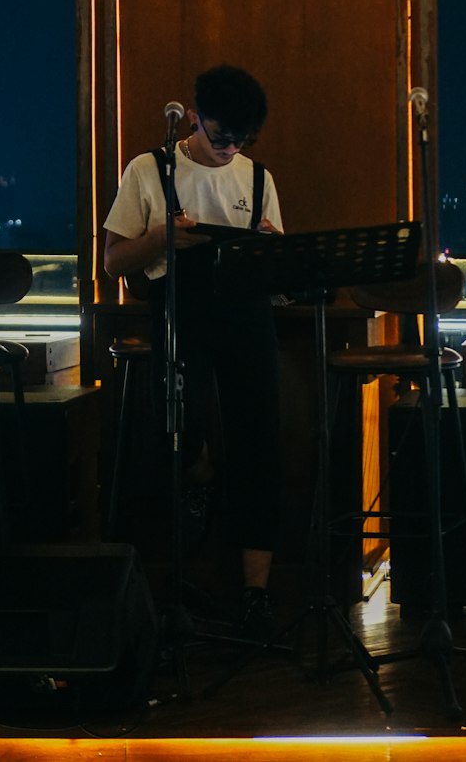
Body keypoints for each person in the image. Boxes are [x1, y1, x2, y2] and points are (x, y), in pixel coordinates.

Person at [103, 63, 283, 634]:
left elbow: (277, 270)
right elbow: (113, 261)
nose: (232, 148)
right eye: (222, 134)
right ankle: (183, 549)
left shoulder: (258, 179)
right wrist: (162, 238)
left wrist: (271, 254)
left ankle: (256, 592)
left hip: (246, 317)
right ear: (196, 117)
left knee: (261, 443)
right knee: (177, 436)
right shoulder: (150, 169)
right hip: (180, 315)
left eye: (242, 139)